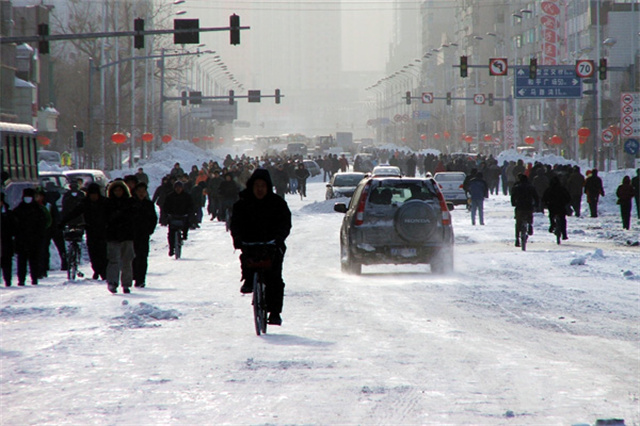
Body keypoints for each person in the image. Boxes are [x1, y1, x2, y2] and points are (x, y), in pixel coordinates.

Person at [230, 169, 292, 326]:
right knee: (247, 261)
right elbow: (235, 224)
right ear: (251, 186)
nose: (259, 189)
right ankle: (249, 280)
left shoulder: (277, 203)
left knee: (275, 278)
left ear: (268, 186)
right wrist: (237, 239)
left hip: (272, 245)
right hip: (250, 244)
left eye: (263, 185)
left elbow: (285, 223)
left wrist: (278, 239)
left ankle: (275, 313)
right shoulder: (242, 204)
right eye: (257, 185)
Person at [104, 180, 136, 294]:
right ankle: (112, 282)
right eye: (116, 190)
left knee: (127, 261)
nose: (118, 192)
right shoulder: (107, 203)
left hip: (127, 236)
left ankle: (126, 284)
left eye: (120, 190)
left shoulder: (130, 202)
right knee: (114, 261)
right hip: (113, 236)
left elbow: (134, 218)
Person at [13, 188, 48, 286]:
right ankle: (21, 279)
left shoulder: (38, 210)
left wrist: (40, 237)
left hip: (34, 240)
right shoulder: (18, 210)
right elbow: (13, 224)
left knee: (34, 260)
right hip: (21, 240)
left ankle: (34, 278)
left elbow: (42, 225)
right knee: (21, 261)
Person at [131, 182, 158, 287]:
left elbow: (153, 219)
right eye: (139, 191)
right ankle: (134, 275)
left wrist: (150, 229)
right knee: (133, 256)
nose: (141, 194)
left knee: (143, 257)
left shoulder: (149, 204)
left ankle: (141, 279)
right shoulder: (131, 204)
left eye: (143, 191)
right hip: (132, 234)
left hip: (144, 234)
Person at [163, 181, 194, 256]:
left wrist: (189, 213)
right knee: (171, 233)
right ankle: (171, 248)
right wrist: (167, 214)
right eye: (177, 188)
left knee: (186, 224)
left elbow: (191, 206)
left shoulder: (187, 196)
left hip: (183, 216)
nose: (178, 189)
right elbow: (165, 206)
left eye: (180, 188)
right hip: (173, 216)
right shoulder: (170, 196)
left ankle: (184, 235)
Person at [510, 174, 539, 247]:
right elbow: (536, 196)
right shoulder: (531, 187)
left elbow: (513, 196)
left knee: (518, 222)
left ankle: (517, 239)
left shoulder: (517, 187)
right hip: (529, 206)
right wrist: (536, 204)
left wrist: (513, 203)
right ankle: (530, 225)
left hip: (519, 206)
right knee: (529, 217)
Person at [542, 176, 572, 240]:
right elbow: (568, 197)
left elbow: (544, 198)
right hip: (561, 206)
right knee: (563, 220)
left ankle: (552, 224)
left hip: (552, 206)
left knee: (551, 216)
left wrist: (546, 203)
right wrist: (566, 202)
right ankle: (564, 234)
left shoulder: (549, 189)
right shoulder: (562, 189)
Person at [1, 193, 16, 287]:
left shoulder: (8, 213)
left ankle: (8, 280)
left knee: (6, 262)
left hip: (6, 240)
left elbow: (13, 227)